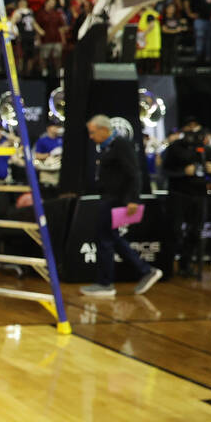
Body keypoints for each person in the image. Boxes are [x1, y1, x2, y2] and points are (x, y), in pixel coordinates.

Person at [80, 115, 163, 297]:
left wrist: (133, 199)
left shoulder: (121, 144)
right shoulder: (109, 146)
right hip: (108, 197)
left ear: (104, 129)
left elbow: (134, 172)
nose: (91, 137)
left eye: (93, 132)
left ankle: (106, 283)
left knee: (105, 239)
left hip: (115, 200)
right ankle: (145, 270)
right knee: (110, 238)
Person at [163, 122, 211, 277]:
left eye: (196, 126)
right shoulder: (174, 147)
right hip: (178, 195)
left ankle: (186, 264)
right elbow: (165, 171)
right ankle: (167, 266)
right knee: (174, 231)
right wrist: (183, 172)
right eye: (189, 127)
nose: (193, 130)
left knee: (195, 232)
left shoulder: (205, 149)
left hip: (199, 195)